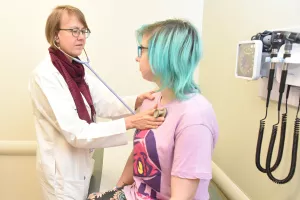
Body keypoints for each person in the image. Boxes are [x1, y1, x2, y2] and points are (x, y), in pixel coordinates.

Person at [28, 5, 164, 200]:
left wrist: (136, 101)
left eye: (84, 31)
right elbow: (76, 132)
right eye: (74, 31)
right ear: (55, 35)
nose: (81, 37)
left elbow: (101, 104)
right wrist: (131, 122)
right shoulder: (45, 76)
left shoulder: (76, 70)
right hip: (62, 177)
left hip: (80, 168)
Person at [88, 19, 219, 200]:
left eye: (141, 49)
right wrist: (117, 189)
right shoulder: (153, 100)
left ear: (163, 55)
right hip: (137, 193)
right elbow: (141, 149)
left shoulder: (195, 118)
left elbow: (182, 197)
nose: (137, 57)